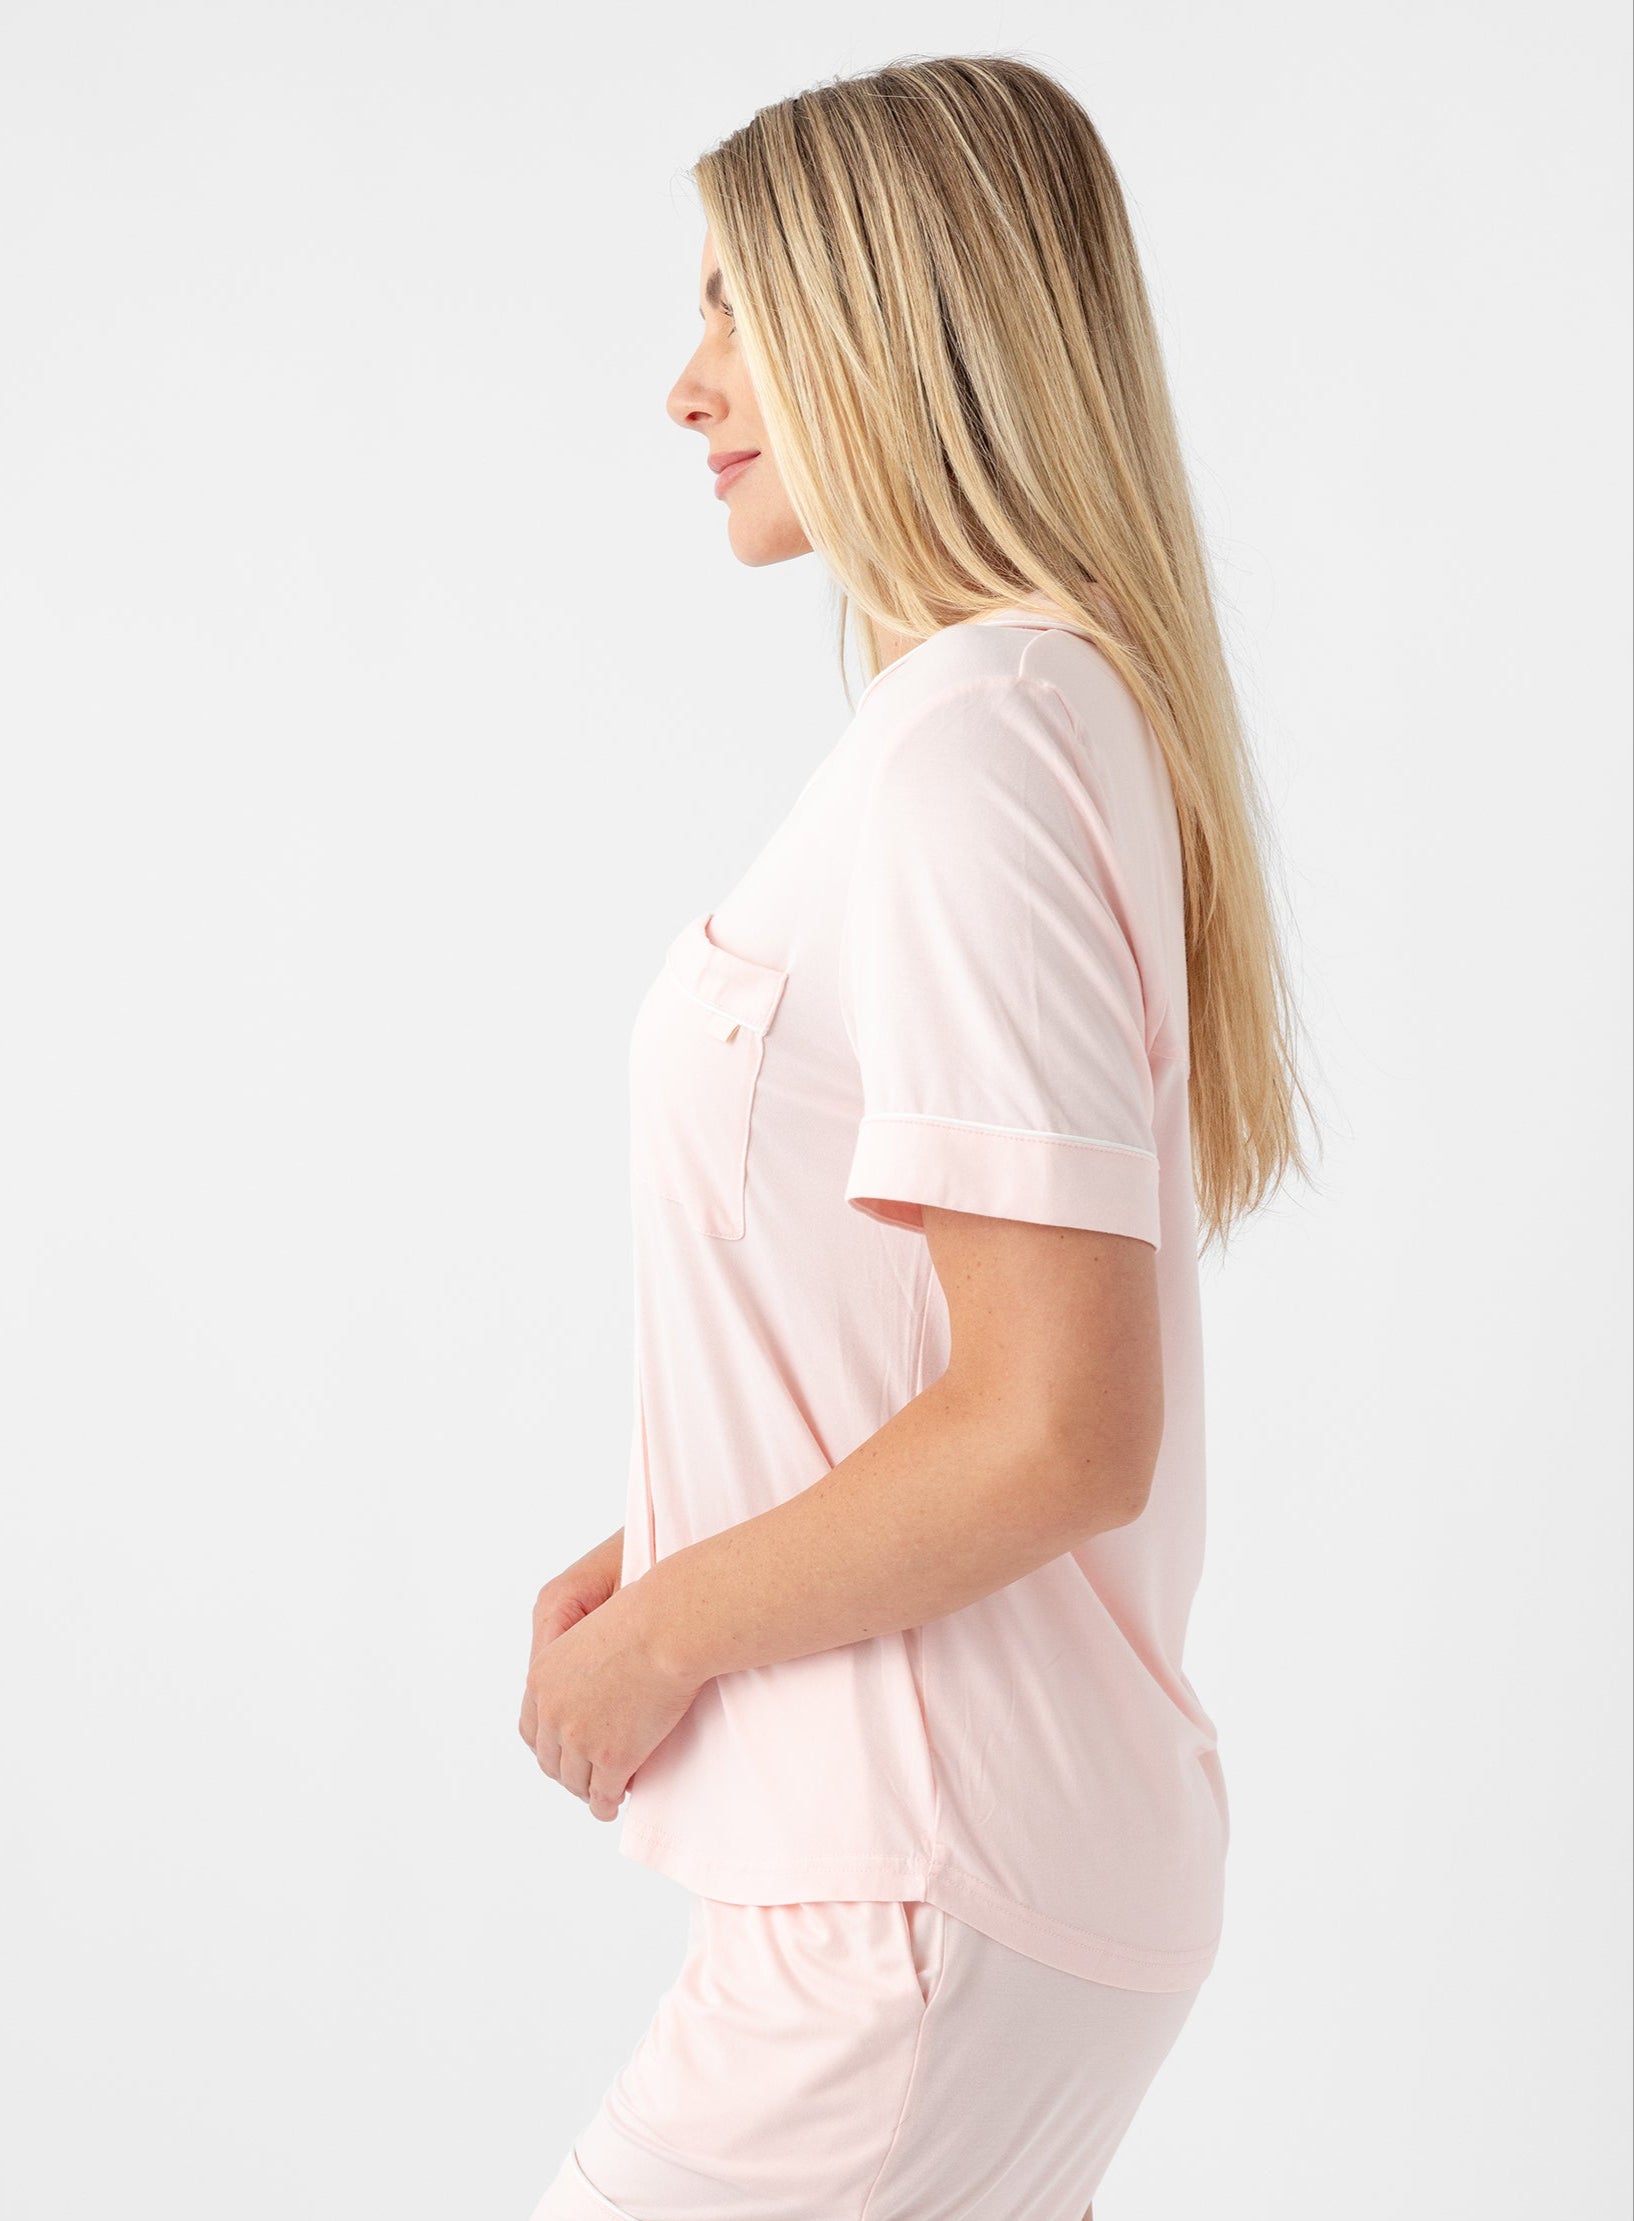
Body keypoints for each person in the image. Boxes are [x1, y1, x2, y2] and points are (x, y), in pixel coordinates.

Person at [521, 53, 1316, 2221]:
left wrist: (664, 1638)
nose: (680, 388)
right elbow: (926, 1346)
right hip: (960, 1881)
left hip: (904, 1902)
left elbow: (1054, 1425)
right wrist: (675, 1539)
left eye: (735, 305)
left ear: (898, 322)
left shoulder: (974, 737)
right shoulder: (1014, 718)